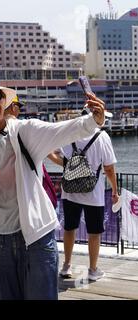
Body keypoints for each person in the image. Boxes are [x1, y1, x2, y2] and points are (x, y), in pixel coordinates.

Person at [0, 74, 106, 300]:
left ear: (3, 101)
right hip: (0, 244)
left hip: (37, 240)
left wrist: (94, 119)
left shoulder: (24, 131)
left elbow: (63, 130)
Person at [50, 109, 118, 282]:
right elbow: (109, 168)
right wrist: (115, 191)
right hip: (93, 193)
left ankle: (66, 266)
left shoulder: (69, 135)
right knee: (94, 233)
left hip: (70, 191)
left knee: (69, 229)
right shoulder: (102, 137)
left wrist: (66, 166)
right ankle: (93, 270)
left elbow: (54, 154)